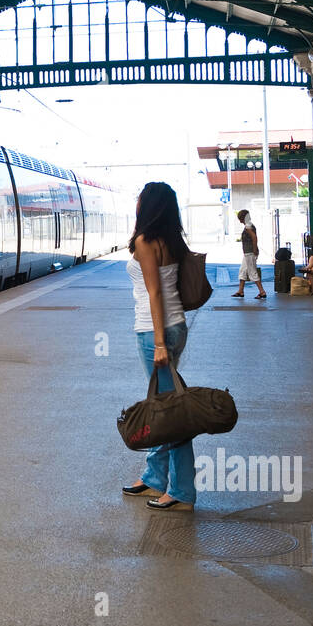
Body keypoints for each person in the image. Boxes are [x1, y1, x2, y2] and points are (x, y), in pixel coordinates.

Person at [122, 181, 196, 512]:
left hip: (156, 333)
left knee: (171, 414)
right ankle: (154, 475)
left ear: (147, 205)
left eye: (140, 198)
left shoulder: (144, 242)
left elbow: (154, 293)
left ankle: (181, 491)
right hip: (177, 325)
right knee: (162, 402)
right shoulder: (172, 240)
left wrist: (159, 343)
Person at [232, 209, 266, 299]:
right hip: (248, 253)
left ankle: (262, 292)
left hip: (250, 252)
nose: (239, 221)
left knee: (252, 272)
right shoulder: (250, 225)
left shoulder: (248, 226)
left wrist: (254, 250)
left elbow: (254, 238)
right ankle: (240, 291)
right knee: (243, 271)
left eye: (240, 218)